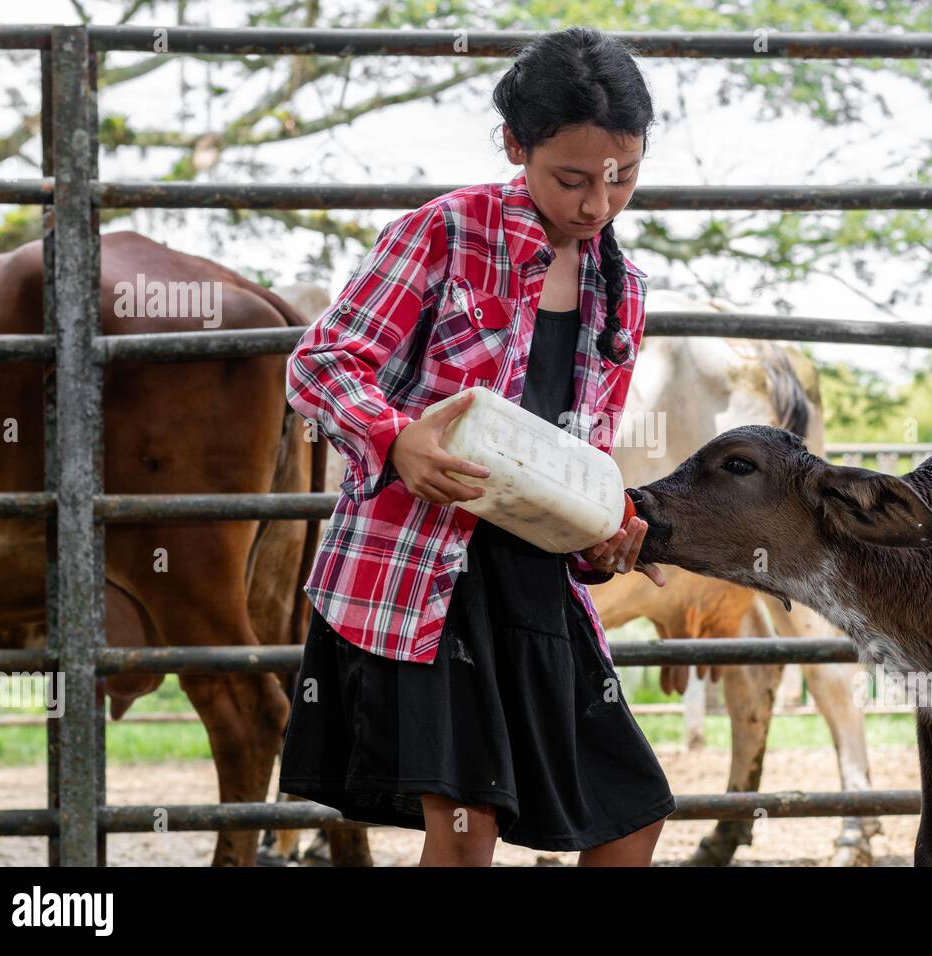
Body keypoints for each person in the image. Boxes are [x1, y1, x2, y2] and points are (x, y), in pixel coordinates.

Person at [278, 27, 675, 866]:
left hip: (535, 577)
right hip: (428, 569)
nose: (596, 205)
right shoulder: (444, 232)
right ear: (514, 145)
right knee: (465, 833)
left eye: (622, 177)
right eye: (571, 179)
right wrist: (397, 441)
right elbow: (320, 365)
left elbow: (585, 454)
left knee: (632, 815)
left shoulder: (625, 289)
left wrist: (606, 534)